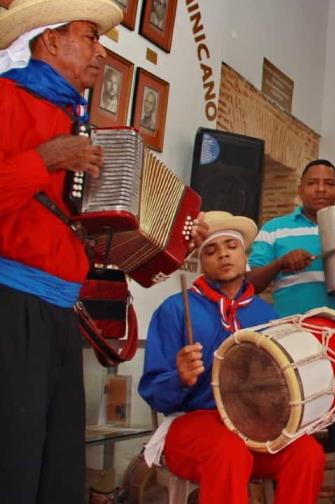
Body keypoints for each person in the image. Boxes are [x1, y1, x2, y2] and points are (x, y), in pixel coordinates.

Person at [0, 3, 120, 501]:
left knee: (60, 468)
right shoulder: (5, 99)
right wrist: (45, 159)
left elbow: (86, 231)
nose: (100, 50)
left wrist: (170, 240)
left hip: (62, 311)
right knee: (14, 461)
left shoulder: (81, 122)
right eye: (89, 37)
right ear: (49, 41)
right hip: (11, 303)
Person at [140, 211, 324, 504]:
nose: (223, 255)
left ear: (244, 254)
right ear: (201, 261)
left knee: (307, 453)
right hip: (192, 424)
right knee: (228, 452)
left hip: (255, 428)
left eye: (231, 246)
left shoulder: (266, 316)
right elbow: (154, 393)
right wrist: (179, 378)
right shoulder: (176, 309)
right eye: (211, 250)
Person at [247, 159, 335, 504]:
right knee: (290, 447)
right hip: (291, 357)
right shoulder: (274, 230)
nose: (321, 189)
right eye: (313, 183)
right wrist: (279, 264)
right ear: (299, 189)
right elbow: (247, 284)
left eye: (329, 183)